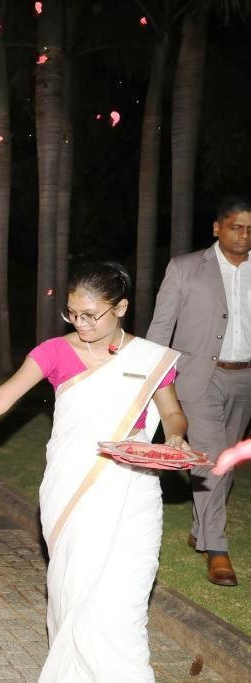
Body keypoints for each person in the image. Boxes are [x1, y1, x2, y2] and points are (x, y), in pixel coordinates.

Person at [0, 262, 188, 680]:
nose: (81, 323)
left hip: (134, 495)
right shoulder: (53, 352)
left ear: (122, 308)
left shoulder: (150, 358)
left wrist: (176, 439)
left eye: (92, 315)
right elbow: (0, 400)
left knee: (124, 606)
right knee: (74, 597)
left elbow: (173, 413)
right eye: (73, 313)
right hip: (71, 492)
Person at [146, 194, 251, 587]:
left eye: (250, 229)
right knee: (210, 459)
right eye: (236, 227)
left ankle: (199, 529)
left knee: (225, 463)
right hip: (198, 378)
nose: (243, 235)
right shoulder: (185, 268)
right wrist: (154, 379)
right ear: (217, 228)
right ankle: (217, 549)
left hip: (245, 378)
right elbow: (160, 330)